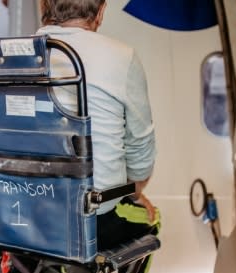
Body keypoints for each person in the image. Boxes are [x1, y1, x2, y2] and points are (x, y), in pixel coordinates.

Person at [37, 0, 159, 250]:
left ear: (44, 6)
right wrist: (135, 192)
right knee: (151, 220)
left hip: (23, 216)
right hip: (92, 218)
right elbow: (140, 150)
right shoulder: (121, 57)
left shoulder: (13, 54)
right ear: (101, 12)